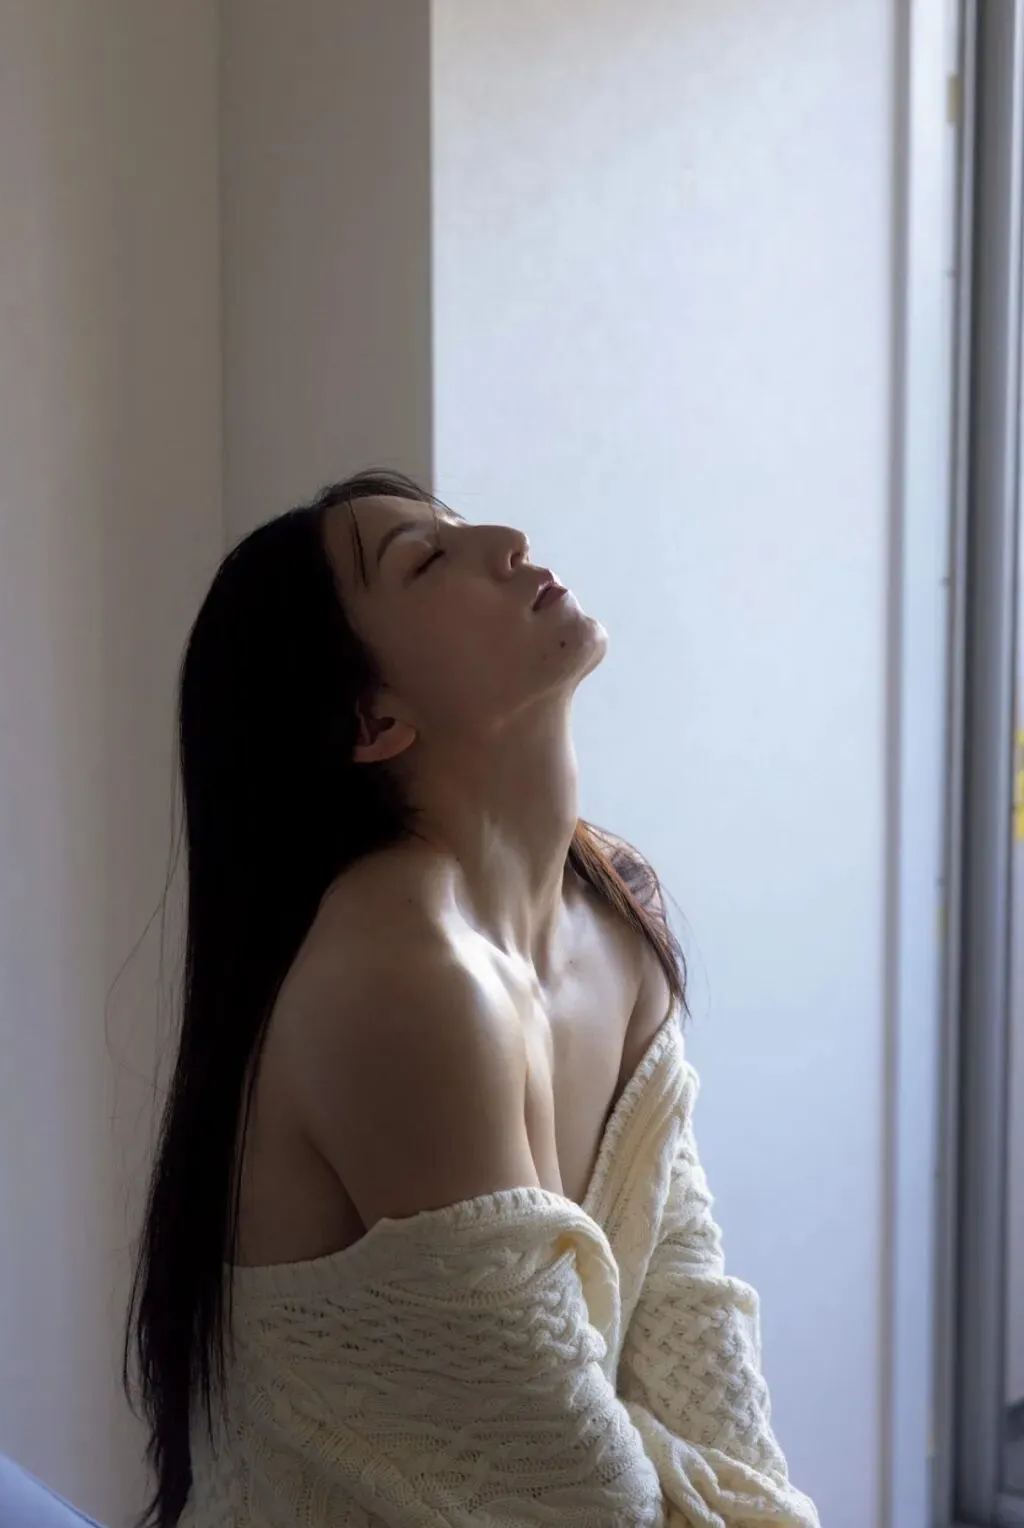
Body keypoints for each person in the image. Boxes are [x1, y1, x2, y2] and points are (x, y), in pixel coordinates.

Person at [124, 470, 820, 1528]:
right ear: (372, 719)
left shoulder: (611, 907)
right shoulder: (402, 973)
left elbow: (695, 1332)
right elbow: (572, 1493)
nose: (505, 539)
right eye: (425, 559)